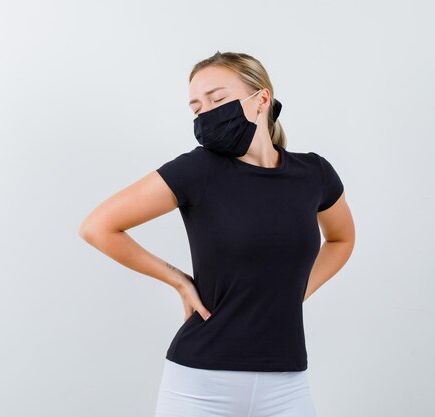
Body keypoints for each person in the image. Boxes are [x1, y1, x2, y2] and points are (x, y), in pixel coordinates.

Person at [78, 51, 355, 417]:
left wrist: (295, 292)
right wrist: (177, 280)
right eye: (196, 107)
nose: (206, 112)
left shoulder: (313, 174)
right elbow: (98, 226)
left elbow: (341, 240)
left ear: (262, 99)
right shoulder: (198, 170)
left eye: (217, 99)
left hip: (287, 385)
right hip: (200, 385)